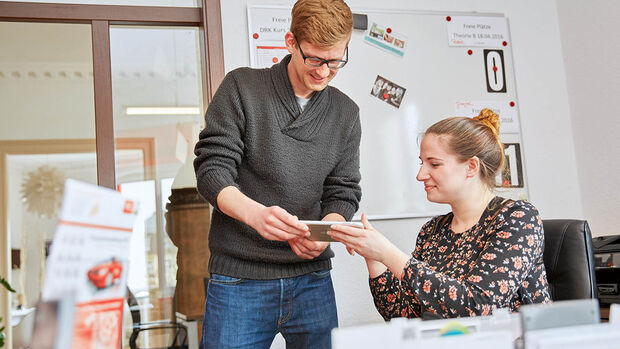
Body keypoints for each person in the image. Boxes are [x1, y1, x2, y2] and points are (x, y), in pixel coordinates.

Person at [193, 0, 361, 347]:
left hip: (312, 280)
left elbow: (343, 191)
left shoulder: (345, 112)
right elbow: (212, 169)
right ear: (290, 42)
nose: (324, 71)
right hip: (239, 278)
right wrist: (255, 214)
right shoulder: (242, 87)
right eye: (314, 58)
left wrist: (325, 232)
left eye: (335, 61)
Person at [329, 109, 551, 320]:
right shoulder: (433, 230)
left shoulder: (517, 218)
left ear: (472, 166)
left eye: (433, 164)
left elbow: (479, 307)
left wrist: (388, 253)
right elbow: (402, 314)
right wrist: (374, 257)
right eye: (421, 163)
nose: (420, 175)